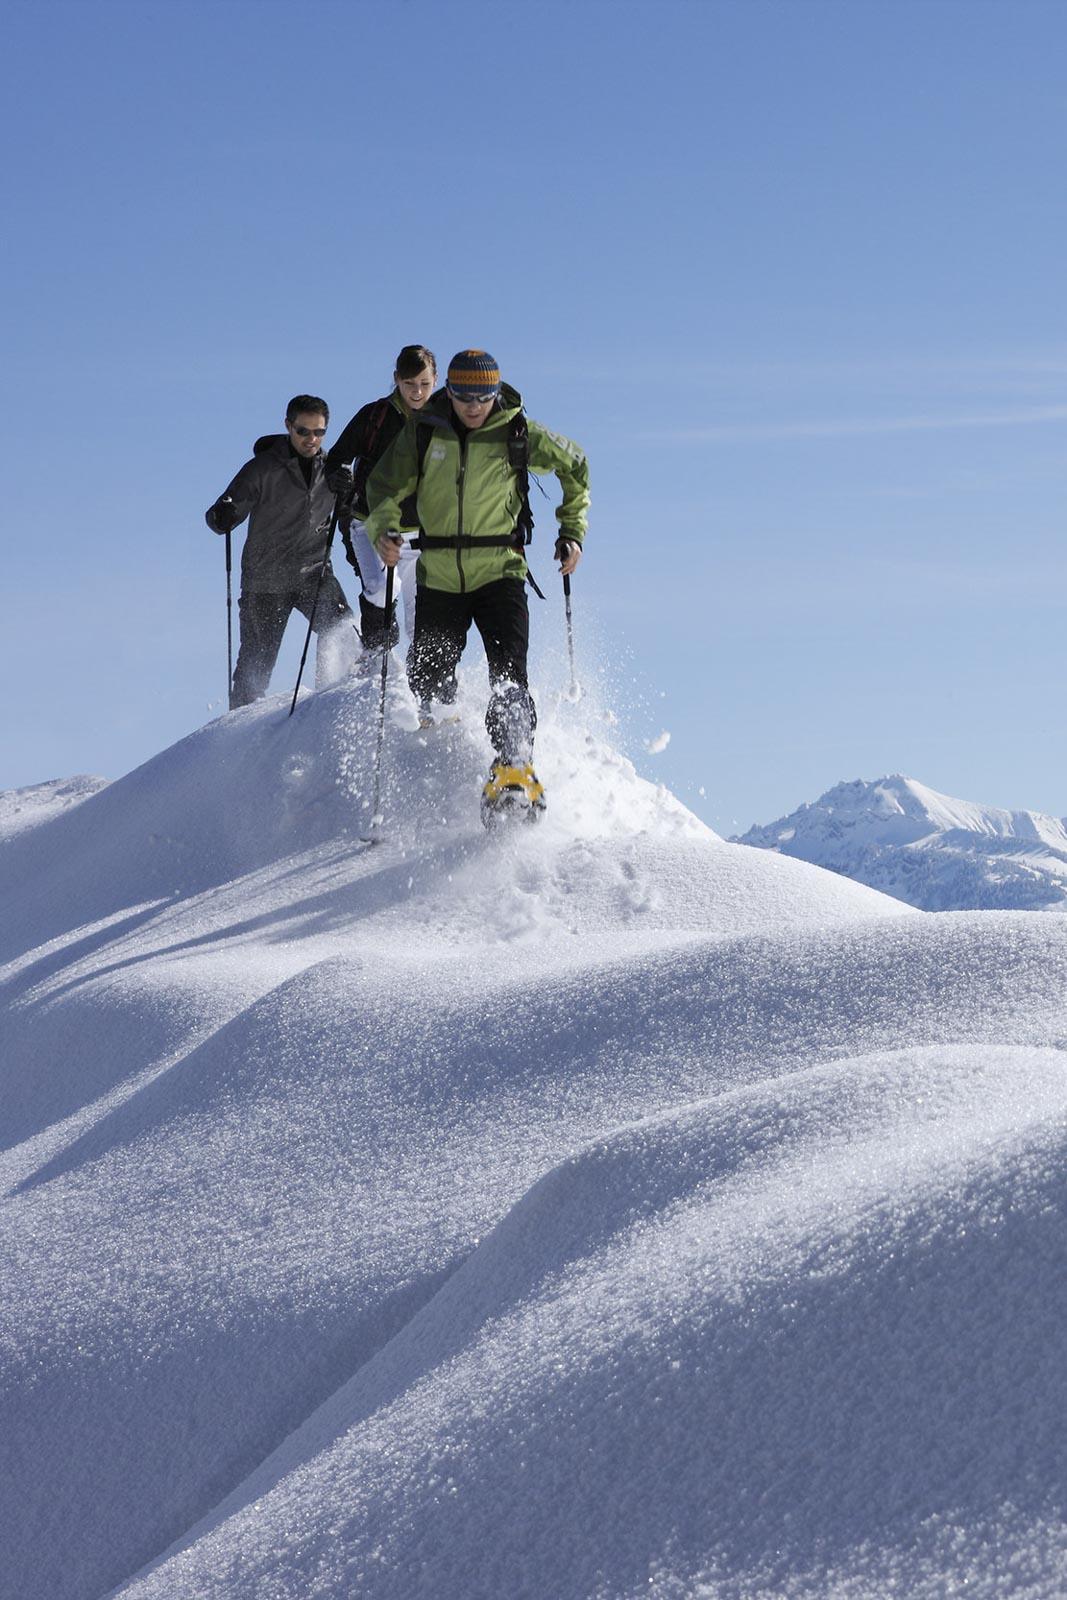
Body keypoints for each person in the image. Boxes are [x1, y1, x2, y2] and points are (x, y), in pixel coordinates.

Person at [363, 349, 589, 819]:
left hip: (500, 572)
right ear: (449, 389)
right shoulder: (424, 429)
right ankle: (445, 750)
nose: (473, 405)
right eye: (463, 395)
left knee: (509, 674)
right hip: (440, 574)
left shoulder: (516, 430)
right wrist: (384, 529)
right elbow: (382, 486)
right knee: (428, 673)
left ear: (495, 392)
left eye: (483, 396)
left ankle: (513, 768)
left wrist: (571, 532)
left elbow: (576, 466)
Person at [205, 395, 355, 708]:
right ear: (288, 426)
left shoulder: (332, 471)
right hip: (266, 581)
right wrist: (223, 516)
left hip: (314, 572)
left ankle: (332, 701)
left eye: (319, 432)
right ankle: (239, 729)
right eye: (303, 431)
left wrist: (349, 493)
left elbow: (350, 520)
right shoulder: (262, 468)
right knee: (255, 665)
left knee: (344, 633)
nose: (311, 439)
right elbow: (223, 513)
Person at [324, 345, 436, 654]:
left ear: (435, 380)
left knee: (421, 612)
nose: (417, 391)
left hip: (420, 532)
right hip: (369, 522)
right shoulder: (375, 416)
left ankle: (423, 684)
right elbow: (336, 458)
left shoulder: (443, 420)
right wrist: (338, 476)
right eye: (410, 384)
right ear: (397, 379)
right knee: (381, 590)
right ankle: (375, 659)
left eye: (424, 384)